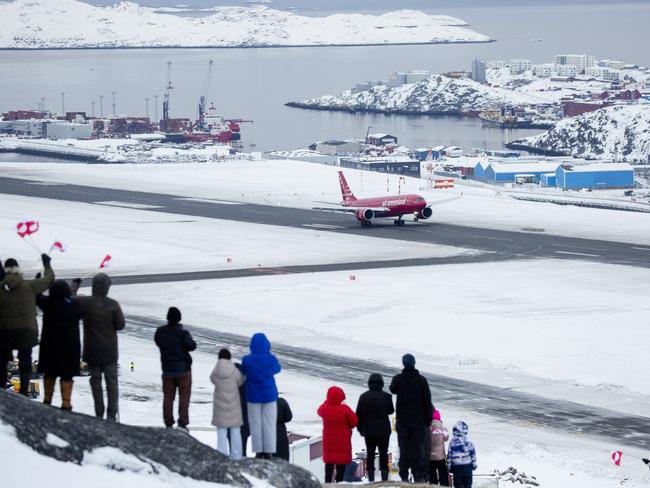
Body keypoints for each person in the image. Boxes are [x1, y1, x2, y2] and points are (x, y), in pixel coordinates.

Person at [0, 254, 54, 394]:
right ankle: (24, 390)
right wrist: (47, 264)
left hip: (5, 332)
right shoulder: (29, 286)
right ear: (18, 270)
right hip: (26, 331)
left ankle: (2, 389)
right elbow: (49, 279)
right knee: (25, 360)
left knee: (2, 360)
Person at [76, 273, 125, 421]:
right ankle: (111, 414)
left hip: (92, 351)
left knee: (95, 382)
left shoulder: (85, 303)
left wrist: (74, 290)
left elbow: (73, 309)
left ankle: (99, 413)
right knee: (112, 383)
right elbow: (120, 325)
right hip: (109, 352)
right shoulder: (113, 304)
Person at [36, 280, 84, 410]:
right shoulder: (75, 306)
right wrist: (74, 290)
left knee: (49, 374)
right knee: (67, 376)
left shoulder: (48, 304)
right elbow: (78, 305)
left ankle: (47, 399)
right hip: (69, 348)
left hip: (49, 347)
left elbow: (37, 296)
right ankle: (66, 402)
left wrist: (40, 281)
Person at [389, 353, 433, 483]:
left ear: (403, 364)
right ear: (414, 363)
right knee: (419, 449)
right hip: (419, 422)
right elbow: (427, 401)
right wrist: (428, 420)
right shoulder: (421, 380)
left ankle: (404, 475)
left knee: (404, 448)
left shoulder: (398, 379)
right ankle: (419, 475)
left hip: (403, 422)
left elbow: (392, 389)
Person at [154, 307, 196, 430]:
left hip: (167, 369)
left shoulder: (160, 332)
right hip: (183, 369)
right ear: (179, 318)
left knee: (168, 397)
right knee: (184, 397)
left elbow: (158, 342)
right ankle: (182, 423)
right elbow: (192, 346)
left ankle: (168, 423)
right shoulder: (183, 333)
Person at [240, 332, 281, 459]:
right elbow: (277, 369)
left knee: (255, 424)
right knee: (268, 423)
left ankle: (258, 450)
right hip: (269, 396)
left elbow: (243, 371)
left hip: (253, 396)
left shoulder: (247, 359)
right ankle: (268, 451)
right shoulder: (270, 359)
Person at [355, 373, 394, 482]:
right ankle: (384, 479)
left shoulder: (363, 397)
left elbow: (358, 415)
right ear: (381, 383)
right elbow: (391, 410)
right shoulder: (387, 396)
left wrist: (361, 430)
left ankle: (371, 479)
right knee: (383, 455)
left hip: (369, 431)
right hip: (384, 431)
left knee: (370, 455)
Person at [317, 386, 358, 483]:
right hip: (342, 443)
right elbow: (354, 421)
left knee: (329, 467)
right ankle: (339, 484)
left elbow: (319, 411)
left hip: (329, 443)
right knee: (341, 468)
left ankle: (327, 484)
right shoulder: (344, 409)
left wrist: (328, 401)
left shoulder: (325, 409)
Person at [210, 348, 245, 460]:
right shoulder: (235, 371)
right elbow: (240, 381)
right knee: (235, 430)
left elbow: (213, 379)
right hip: (233, 403)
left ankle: (221, 453)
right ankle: (236, 454)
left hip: (220, 404)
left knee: (221, 430)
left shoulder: (216, 370)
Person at [448, 421, 477, 488]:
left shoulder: (452, 442)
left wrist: (449, 466)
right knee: (468, 484)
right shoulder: (468, 442)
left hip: (456, 467)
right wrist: (474, 465)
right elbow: (473, 454)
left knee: (458, 485)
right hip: (467, 467)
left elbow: (449, 455)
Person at [430, 409, 450, 486]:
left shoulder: (427, 428)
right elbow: (446, 437)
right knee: (443, 473)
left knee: (432, 475)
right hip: (440, 457)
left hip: (430, 457)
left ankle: (433, 485)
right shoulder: (442, 429)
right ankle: (444, 485)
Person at [275, 396, 293, 461]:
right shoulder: (281, 401)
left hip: (266, 434)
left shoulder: (261, 402)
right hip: (281, 433)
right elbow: (289, 417)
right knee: (283, 458)